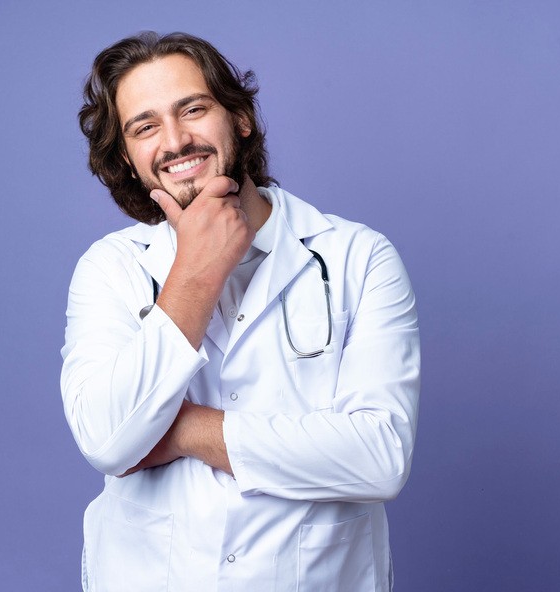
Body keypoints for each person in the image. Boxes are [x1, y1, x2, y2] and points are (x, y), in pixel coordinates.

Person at [61, 31, 420, 592]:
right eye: (145, 127)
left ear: (241, 119)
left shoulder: (359, 257)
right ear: (128, 160)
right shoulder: (109, 269)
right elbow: (108, 441)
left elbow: (379, 457)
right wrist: (195, 275)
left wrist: (180, 430)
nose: (176, 141)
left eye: (194, 110)